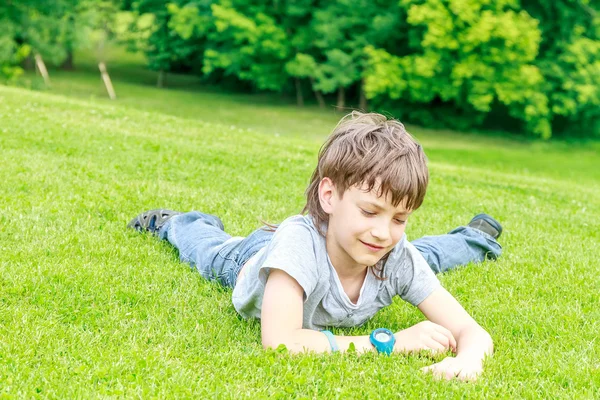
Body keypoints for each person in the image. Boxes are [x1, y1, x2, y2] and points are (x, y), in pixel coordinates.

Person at [128, 112, 502, 381]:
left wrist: (467, 361)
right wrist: (390, 343)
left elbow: (474, 333)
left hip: (341, 248)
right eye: (370, 211)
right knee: (207, 249)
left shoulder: (390, 249)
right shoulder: (296, 245)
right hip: (249, 259)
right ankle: (175, 221)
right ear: (329, 195)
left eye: (399, 217)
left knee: (426, 256)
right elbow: (281, 343)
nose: (384, 231)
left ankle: (475, 238)